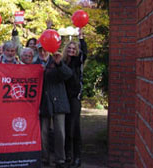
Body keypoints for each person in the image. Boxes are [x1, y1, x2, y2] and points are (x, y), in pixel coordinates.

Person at [34, 44, 73, 168]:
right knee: (43, 132)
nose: (43, 53)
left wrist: (59, 63)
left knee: (60, 132)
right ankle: (44, 158)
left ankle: (60, 159)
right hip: (43, 102)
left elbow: (68, 74)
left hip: (58, 102)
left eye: (45, 50)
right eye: (40, 50)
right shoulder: (34, 64)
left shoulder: (56, 61)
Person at [64, 28, 87, 168]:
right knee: (65, 128)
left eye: (74, 48)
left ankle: (77, 157)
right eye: (69, 48)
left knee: (74, 127)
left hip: (74, 98)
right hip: (63, 98)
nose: (71, 50)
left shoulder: (78, 62)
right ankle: (68, 156)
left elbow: (85, 53)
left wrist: (81, 38)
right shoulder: (62, 62)